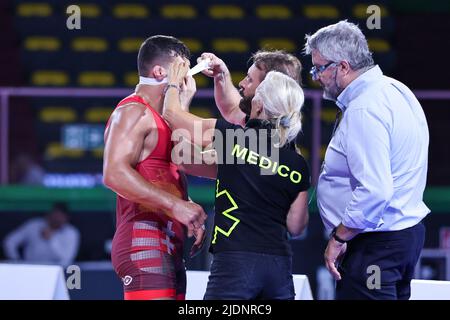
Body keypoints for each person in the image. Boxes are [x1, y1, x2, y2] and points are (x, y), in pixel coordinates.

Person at [163, 58, 310, 300]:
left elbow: (171, 115)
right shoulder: (297, 162)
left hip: (236, 263)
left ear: (260, 105)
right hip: (279, 267)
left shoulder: (232, 139)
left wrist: (174, 87)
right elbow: (296, 225)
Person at [304, 20, 430, 299]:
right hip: (400, 237)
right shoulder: (396, 90)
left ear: (343, 67)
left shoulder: (364, 109)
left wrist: (339, 237)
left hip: (375, 244)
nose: (315, 76)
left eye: (320, 68)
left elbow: (375, 191)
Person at [102, 35, 207, 300]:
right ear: (160, 72)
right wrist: (175, 206)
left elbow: (163, 174)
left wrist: (187, 207)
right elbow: (113, 173)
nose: (187, 76)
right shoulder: (133, 111)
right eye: (182, 69)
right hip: (143, 238)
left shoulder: (164, 117)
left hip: (170, 242)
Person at [198, 50, 302, 126]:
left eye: (250, 79)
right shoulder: (265, 124)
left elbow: (191, 127)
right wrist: (221, 74)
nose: (241, 83)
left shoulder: (261, 138)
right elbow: (231, 109)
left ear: (268, 90)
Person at [3, 202, 79, 266]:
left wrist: (51, 240)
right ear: (49, 214)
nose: (57, 219)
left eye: (60, 216)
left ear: (66, 218)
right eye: (55, 215)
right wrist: (16, 261)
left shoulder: (71, 233)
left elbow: (66, 259)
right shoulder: (34, 225)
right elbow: (9, 242)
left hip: (54, 270)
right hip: (30, 268)